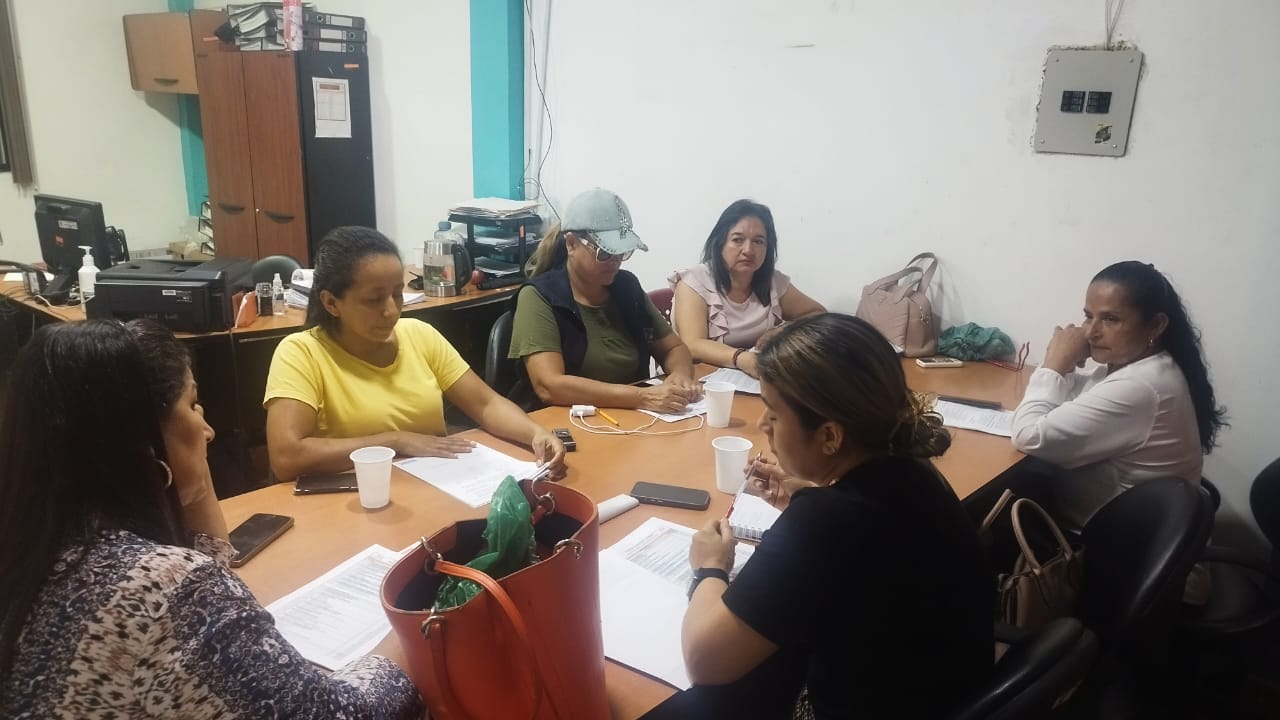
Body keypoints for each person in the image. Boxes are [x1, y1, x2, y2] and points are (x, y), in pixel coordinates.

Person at [0, 320, 423, 718]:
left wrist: (188, 473)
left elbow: (213, 577)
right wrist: (412, 622)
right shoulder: (163, 590)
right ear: (143, 437)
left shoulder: (36, 543)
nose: (208, 430)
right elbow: (341, 713)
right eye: (192, 404)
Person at [671, 313, 991, 719]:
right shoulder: (914, 469)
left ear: (829, 436)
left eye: (773, 413)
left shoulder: (825, 522)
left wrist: (709, 568)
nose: (762, 424)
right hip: (946, 692)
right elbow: (868, 537)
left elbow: (705, 661)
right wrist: (809, 494)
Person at [265, 226, 566, 483]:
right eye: (374, 300)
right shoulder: (302, 353)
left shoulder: (418, 335)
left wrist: (535, 433)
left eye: (397, 294)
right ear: (331, 303)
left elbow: (486, 404)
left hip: (432, 485)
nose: (391, 310)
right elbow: (287, 457)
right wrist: (396, 441)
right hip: (356, 499)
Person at [1011, 261, 1226, 529]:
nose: (1091, 332)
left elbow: (1028, 436)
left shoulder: (1141, 387)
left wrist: (1054, 364)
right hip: (1124, 522)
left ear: (1156, 325)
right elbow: (1080, 395)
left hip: (1107, 541)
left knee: (989, 503)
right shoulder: (1144, 365)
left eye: (1110, 319)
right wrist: (1062, 365)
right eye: (1088, 316)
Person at [509, 188, 701, 412]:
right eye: (605, 253)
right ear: (571, 244)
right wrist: (641, 397)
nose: (616, 261)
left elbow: (673, 348)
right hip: (565, 420)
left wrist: (680, 375)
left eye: (622, 252)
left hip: (633, 418)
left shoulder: (627, 287)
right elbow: (549, 386)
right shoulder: (538, 296)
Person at [669, 199, 825, 377]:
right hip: (699, 379)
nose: (748, 250)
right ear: (720, 243)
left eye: (758, 241)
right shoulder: (694, 281)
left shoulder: (774, 282)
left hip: (753, 378)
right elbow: (692, 344)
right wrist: (743, 359)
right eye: (737, 240)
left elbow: (818, 314)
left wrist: (782, 331)